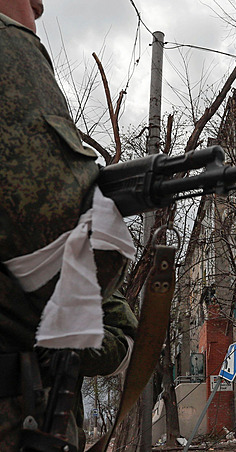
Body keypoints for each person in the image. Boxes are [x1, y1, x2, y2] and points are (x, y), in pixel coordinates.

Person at [0, 1, 137, 450]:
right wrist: (100, 225)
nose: (38, 8)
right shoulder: (11, 49)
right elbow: (61, 261)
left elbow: (119, 337)